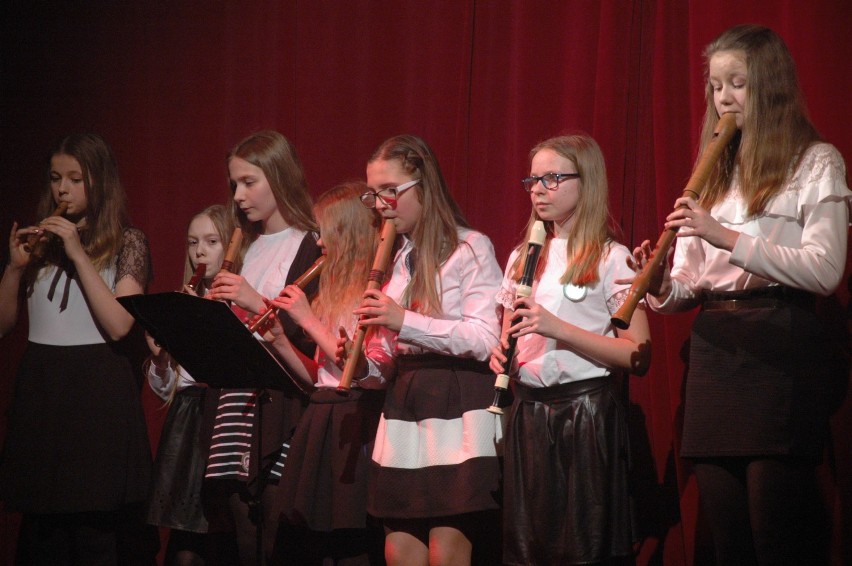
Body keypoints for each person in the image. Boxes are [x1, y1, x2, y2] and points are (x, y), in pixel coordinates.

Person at [630, 25, 851, 564]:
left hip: (779, 347)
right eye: (716, 86)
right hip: (715, 354)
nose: (724, 98)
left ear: (770, 87)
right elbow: (688, 285)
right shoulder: (713, 172)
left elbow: (825, 270)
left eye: (738, 84)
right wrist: (658, 283)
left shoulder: (816, 161)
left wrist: (724, 235)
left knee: (776, 531)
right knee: (725, 537)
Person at [342, 134, 504, 566]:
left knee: (445, 551)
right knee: (399, 549)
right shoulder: (396, 259)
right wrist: (359, 363)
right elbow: (387, 358)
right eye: (374, 194)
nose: (380, 204)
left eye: (390, 191)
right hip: (404, 405)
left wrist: (404, 321)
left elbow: (485, 338)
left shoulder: (471, 246)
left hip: (456, 402)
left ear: (424, 184)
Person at [489, 134, 651, 565]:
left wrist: (559, 328)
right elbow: (509, 337)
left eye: (553, 178)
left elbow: (639, 354)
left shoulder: (611, 257)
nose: (538, 189)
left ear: (587, 182)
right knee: (530, 549)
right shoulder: (522, 258)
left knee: (584, 549)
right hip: (529, 414)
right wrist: (500, 355)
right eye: (533, 180)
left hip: (585, 415)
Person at [0, 133, 156, 564]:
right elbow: (4, 325)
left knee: (97, 531)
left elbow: (121, 324)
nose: (62, 190)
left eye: (75, 179)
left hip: (98, 391)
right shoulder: (39, 245)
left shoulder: (128, 242)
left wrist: (79, 253)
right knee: (44, 532)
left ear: (99, 182)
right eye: (55, 179)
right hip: (45, 391)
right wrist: (14, 271)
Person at [202, 130, 322, 565]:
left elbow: (311, 333)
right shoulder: (245, 246)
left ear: (278, 176)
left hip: (283, 398)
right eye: (235, 184)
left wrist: (253, 301)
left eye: (249, 182)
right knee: (239, 528)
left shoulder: (310, 243)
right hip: (236, 398)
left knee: (275, 523)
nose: (238, 195)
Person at [260, 182, 388, 565]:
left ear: (348, 233)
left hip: (356, 420)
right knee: (307, 545)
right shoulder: (331, 289)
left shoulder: (375, 290)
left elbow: (356, 365)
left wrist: (307, 319)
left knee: (350, 545)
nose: (318, 244)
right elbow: (320, 377)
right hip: (322, 414)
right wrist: (280, 339)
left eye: (326, 233)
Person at [145, 204, 240, 565]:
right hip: (186, 423)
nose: (199, 251)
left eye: (211, 241)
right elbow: (167, 388)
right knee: (185, 537)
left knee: (222, 533)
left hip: (221, 420)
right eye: (192, 242)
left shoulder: (237, 301)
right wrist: (159, 358)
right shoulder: (183, 300)